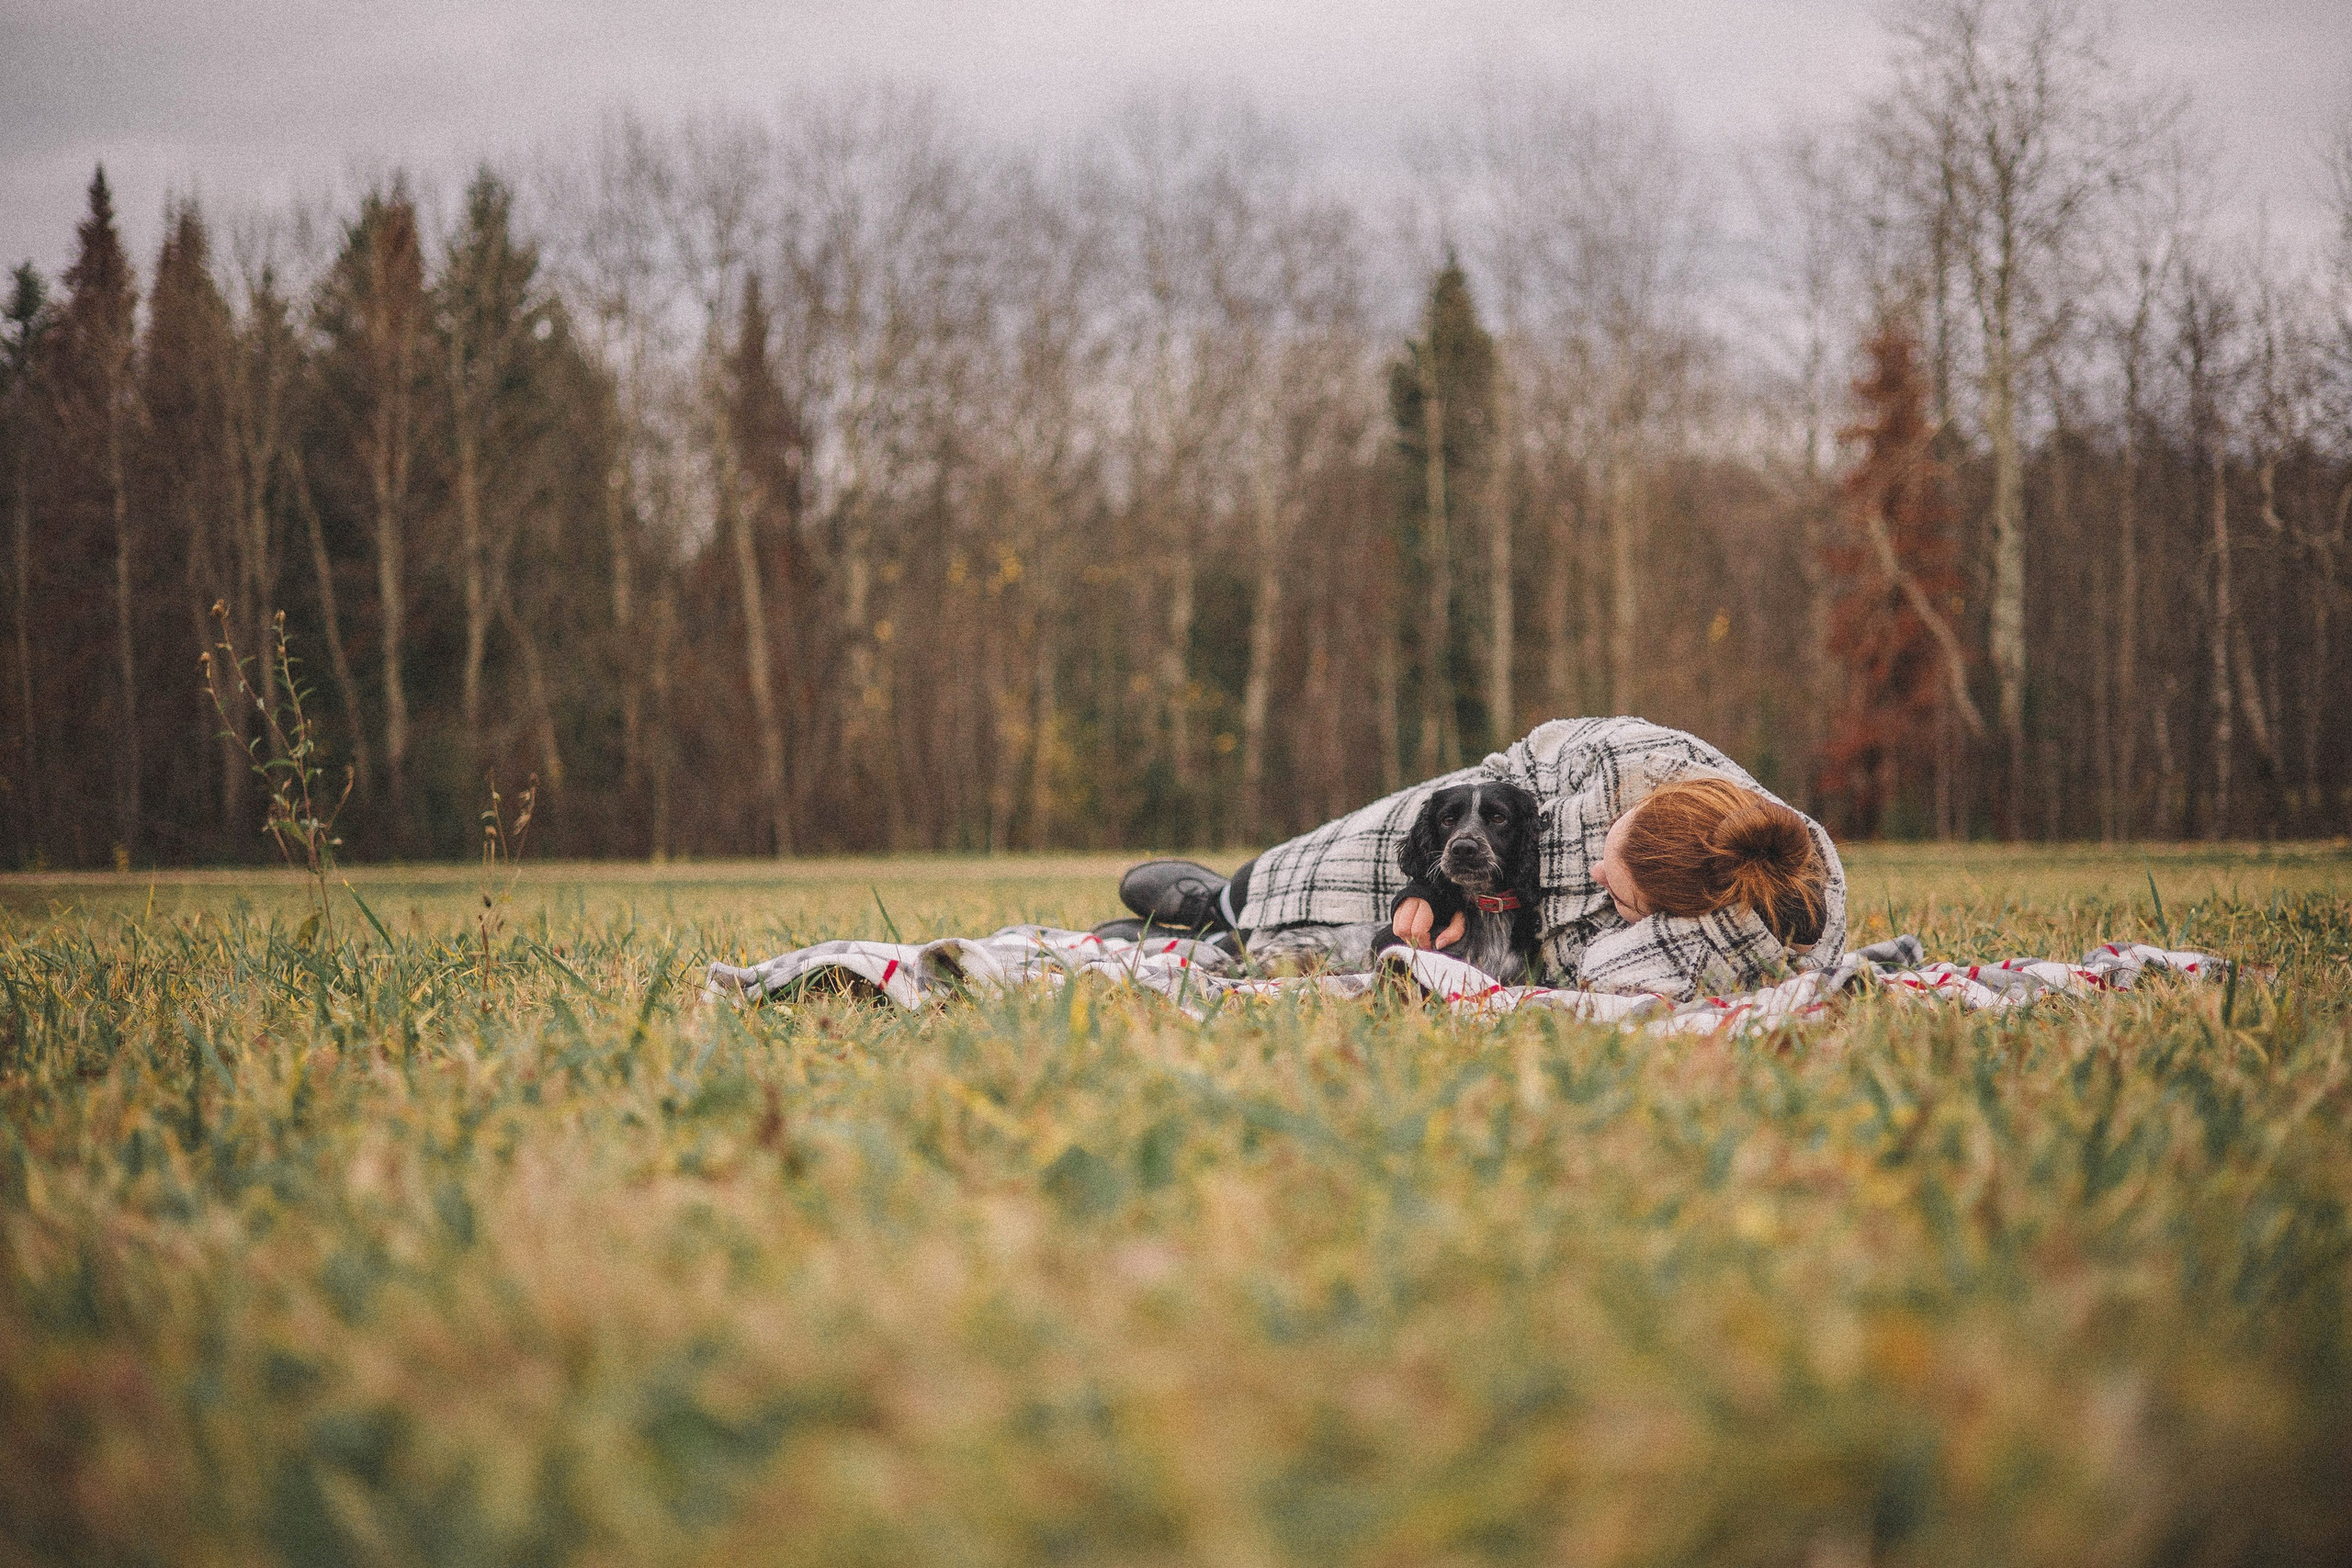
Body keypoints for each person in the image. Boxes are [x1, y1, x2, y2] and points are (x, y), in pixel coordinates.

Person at [1104, 716, 1846, 1000]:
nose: (1596, 873)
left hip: (1529, 940)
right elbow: (1516, 760)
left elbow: (1608, 974)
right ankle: (1229, 899)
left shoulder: (1748, 940)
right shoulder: (1646, 759)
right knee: (1383, 833)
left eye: (1619, 894)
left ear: (1676, 911)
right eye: (1611, 853)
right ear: (1642, 806)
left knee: (1373, 947)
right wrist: (1436, 887)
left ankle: (1213, 940)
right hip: (1508, 818)